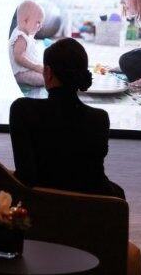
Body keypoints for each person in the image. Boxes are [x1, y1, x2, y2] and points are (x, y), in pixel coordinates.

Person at [10, 38, 125, 198]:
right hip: (91, 209)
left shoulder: (22, 110)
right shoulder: (99, 119)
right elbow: (93, 178)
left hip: (40, 207)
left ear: (48, 73)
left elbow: (25, 177)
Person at [10, 0, 45, 87]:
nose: (40, 26)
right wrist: (35, 67)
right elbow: (19, 58)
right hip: (19, 71)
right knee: (42, 79)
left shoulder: (27, 33)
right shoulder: (21, 37)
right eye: (38, 22)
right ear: (25, 21)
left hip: (27, 68)